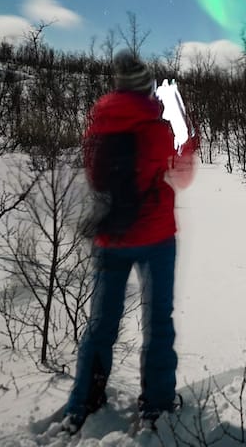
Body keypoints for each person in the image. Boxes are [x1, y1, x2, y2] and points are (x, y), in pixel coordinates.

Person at [63, 50, 198, 433]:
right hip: (155, 236)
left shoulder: (98, 123)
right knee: (157, 322)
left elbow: (96, 180)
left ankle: (82, 403)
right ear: (147, 87)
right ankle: (155, 404)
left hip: (110, 235)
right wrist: (186, 134)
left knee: (101, 324)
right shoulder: (157, 126)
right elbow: (182, 175)